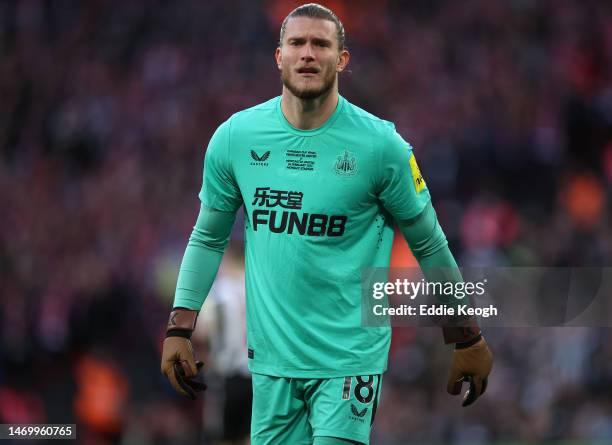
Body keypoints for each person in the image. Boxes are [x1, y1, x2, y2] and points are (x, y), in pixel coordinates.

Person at [161, 4, 493, 445]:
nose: (307, 54)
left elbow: (429, 242)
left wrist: (465, 333)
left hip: (348, 360)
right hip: (271, 364)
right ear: (278, 56)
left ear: (342, 60)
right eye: (296, 43)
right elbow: (207, 237)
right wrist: (180, 325)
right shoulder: (235, 139)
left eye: (321, 44)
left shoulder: (381, 146)